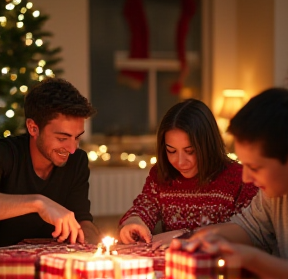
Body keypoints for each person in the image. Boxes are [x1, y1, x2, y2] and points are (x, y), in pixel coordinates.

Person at [170, 87, 288, 279]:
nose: (246, 178)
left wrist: (251, 259)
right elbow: (249, 227)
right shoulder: (274, 194)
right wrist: (206, 237)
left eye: (255, 168)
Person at [118, 98, 258, 244]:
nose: (180, 161)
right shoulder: (162, 174)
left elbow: (250, 232)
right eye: (171, 151)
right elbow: (143, 208)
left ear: (208, 145)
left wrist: (185, 235)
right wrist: (134, 222)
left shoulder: (240, 178)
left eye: (190, 151)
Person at [0, 78, 101, 247]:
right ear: (33, 128)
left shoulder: (77, 161)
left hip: (50, 266)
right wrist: (39, 204)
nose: (72, 149)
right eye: (62, 138)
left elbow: (83, 220)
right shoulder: (6, 154)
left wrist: (90, 244)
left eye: (77, 137)